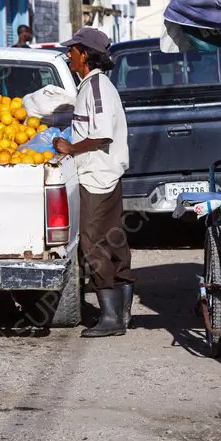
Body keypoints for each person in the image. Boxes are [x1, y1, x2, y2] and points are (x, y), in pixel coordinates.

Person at [53, 27, 133, 337]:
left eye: (72, 50)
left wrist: (70, 148)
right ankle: (122, 314)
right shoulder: (93, 85)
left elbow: (101, 134)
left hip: (97, 177)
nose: (69, 55)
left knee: (92, 243)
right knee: (114, 241)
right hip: (105, 174)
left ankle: (111, 319)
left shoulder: (96, 87)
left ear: (85, 55)